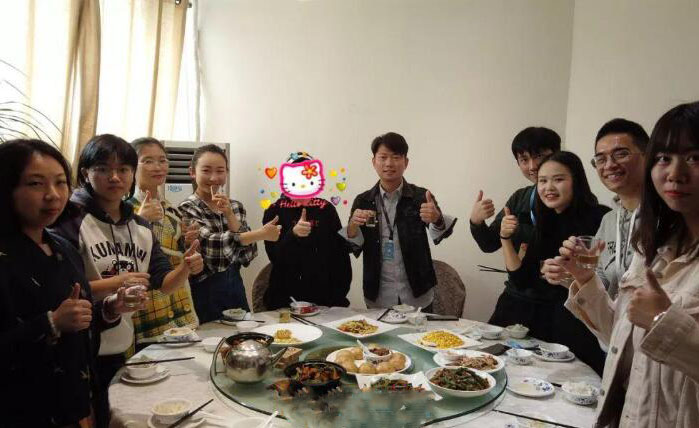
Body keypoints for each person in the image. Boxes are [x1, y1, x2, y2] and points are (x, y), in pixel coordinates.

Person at [557, 101, 699, 427]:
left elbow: (657, 327)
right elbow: (619, 337)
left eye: (694, 157)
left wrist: (663, 321)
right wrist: (584, 280)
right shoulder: (652, 247)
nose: (675, 173)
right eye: (665, 158)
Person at [51, 134, 204, 407]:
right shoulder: (69, 220)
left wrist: (185, 267)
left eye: (123, 169)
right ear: (86, 173)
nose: (114, 177)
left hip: (121, 343)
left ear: (132, 173)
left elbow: (164, 284)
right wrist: (118, 283)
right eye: (103, 169)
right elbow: (59, 291)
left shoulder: (140, 226)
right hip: (78, 345)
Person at [0, 139, 133, 428]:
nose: (53, 195)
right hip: (24, 410)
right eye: (36, 184)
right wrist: (50, 323)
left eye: (60, 182)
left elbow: (78, 323)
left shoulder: (62, 247)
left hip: (77, 397)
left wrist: (109, 309)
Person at [493, 151, 608, 374]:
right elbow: (521, 277)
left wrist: (572, 275)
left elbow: (608, 282)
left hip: (577, 324)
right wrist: (505, 238)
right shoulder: (546, 218)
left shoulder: (600, 218)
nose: (548, 187)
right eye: (543, 181)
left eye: (558, 179)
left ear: (576, 180)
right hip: (540, 321)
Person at [341, 132, 457, 310]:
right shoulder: (363, 201)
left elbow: (442, 233)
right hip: (378, 294)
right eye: (383, 157)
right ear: (374, 162)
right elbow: (352, 247)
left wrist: (437, 219)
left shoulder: (420, 196)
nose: (389, 163)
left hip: (418, 293)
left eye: (396, 157)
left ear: (406, 162)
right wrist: (352, 226)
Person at [544, 119, 648, 299]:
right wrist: (571, 275)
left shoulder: (670, 216)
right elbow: (603, 283)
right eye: (600, 159)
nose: (609, 165)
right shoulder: (609, 220)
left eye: (621, 154)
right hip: (611, 317)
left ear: (648, 156)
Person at [178, 144, 281, 322]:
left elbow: (248, 254)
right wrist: (260, 234)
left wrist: (229, 214)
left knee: (244, 334)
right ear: (192, 172)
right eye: (206, 170)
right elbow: (212, 247)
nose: (214, 178)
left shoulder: (235, 206)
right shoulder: (187, 208)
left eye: (220, 171)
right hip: (204, 291)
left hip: (235, 288)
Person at [128, 137, 201, 347]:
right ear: (131, 167)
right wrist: (141, 219)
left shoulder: (171, 208)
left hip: (178, 301)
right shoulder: (125, 209)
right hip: (148, 304)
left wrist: (188, 243)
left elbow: (176, 254)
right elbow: (120, 255)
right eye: (148, 161)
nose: (158, 167)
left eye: (162, 160)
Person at [262, 152, 351, 310]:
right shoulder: (274, 211)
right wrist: (293, 235)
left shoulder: (326, 209)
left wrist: (339, 295)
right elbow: (275, 256)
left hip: (326, 300)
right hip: (285, 299)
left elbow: (340, 255)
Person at [470, 127, 560, 253]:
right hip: (520, 266)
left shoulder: (571, 196)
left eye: (538, 156)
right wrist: (476, 222)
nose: (532, 166)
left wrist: (519, 230)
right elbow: (489, 244)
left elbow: (566, 240)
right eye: (524, 159)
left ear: (557, 155)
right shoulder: (519, 197)